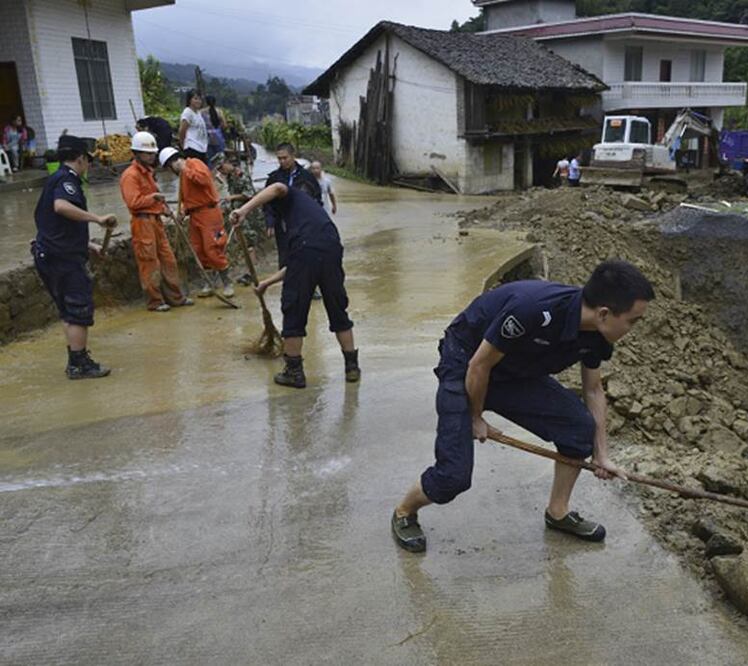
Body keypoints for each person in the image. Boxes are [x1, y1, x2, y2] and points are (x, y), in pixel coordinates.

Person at [390, 260, 655, 553]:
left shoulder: (596, 336)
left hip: (513, 372)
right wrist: (476, 417)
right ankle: (404, 511)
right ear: (604, 313)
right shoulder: (531, 310)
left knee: (579, 429)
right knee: (453, 477)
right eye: (633, 321)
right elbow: (479, 365)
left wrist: (601, 454)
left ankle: (558, 512)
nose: (634, 328)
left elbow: (593, 390)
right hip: (466, 363)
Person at [230, 180, 360, 388]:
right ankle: (352, 367)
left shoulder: (290, 197)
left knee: (293, 310)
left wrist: (244, 210)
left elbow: (277, 187)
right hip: (331, 249)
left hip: (307, 253)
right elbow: (300, 262)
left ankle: (294, 372)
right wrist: (267, 283)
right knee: (338, 309)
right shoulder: (312, 215)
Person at [31, 135, 118, 379]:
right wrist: (97, 218)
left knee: (70, 311)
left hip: (52, 253)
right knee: (78, 308)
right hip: (62, 260)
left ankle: (75, 360)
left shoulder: (54, 179)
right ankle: (79, 364)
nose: (88, 166)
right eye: (87, 161)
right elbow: (61, 207)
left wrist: (89, 245)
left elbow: (54, 225)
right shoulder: (67, 180)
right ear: (80, 159)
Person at [119, 131, 193, 312]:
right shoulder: (131, 175)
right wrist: (153, 198)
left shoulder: (148, 173)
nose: (152, 156)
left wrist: (164, 210)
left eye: (153, 153)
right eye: (148, 153)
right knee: (149, 262)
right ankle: (155, 301)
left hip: (155, 221)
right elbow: (133, 202)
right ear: (137, 153)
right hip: (142, 223)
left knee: (168, 259)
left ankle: (175, 297)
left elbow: (153, 202)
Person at [159, 147, 234, 298]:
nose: (171, 171)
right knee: (199, 250)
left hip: (209, 213)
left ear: (174, 162)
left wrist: (186, 169)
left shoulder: (194, 164)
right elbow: (187, 198)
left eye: (169, 167)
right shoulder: (182, 177)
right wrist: (182, 212)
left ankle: (227, 283)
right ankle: (209, 282)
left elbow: (203, 180)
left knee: (213, 247)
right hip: (195, 215)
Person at [264, 143, 322, 270]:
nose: (282, 161)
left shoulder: (307, 177)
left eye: (285, 158)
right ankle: (288, 286)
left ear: (293, 156)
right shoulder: (274, 178)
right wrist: (270, 221)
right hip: (283, 225)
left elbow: (317, 200)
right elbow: (268, 202)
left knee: (306, 255)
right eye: (279, 159)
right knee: (285, 256)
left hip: (304, 224)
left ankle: (309, 286)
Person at [217, 156, 265, 285]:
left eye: (221, 167)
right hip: (239, 213)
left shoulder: (241, 175)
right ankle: (249, 271)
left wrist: (231, 197)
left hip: (248, 215)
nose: (221, 171)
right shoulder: (230, 176)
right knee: (244, 243)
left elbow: (249, 194)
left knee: (249, 243)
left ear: (227, 163)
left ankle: (252, 273)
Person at [179, 90, 208, 163]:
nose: (198, 101)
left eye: (200, 99)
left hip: (201, 148)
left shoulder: (198, 113)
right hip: (192, 148)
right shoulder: (188, 112)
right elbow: (182, 130)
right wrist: (183, 144)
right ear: (189, 100)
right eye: (195, 99)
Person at [204, 95, 227, 165]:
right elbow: (224, 125)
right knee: (220, 159)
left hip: (207, 139)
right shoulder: (219, 111)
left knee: (209, 159)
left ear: (206, 102)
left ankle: (210, 173)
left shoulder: (201, 112)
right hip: (218, 137)